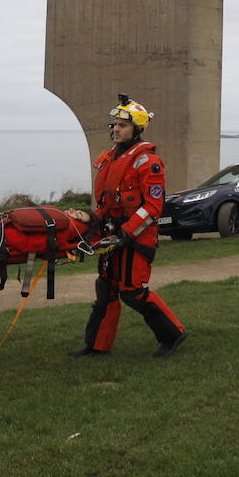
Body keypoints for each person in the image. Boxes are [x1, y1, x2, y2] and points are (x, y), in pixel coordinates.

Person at [71, 95, 188, 359]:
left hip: (136, 237)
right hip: (113, 233)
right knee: (106, 288)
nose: (116, 129)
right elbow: (105, 201)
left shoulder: (148, 162)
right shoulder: (111, 157)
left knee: (133, 292)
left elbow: (153, 207)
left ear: (137, 129)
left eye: (122, 125)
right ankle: (97, 345)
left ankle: (173, 334)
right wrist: (92, 225)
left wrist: (126, 233)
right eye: (114, 125)